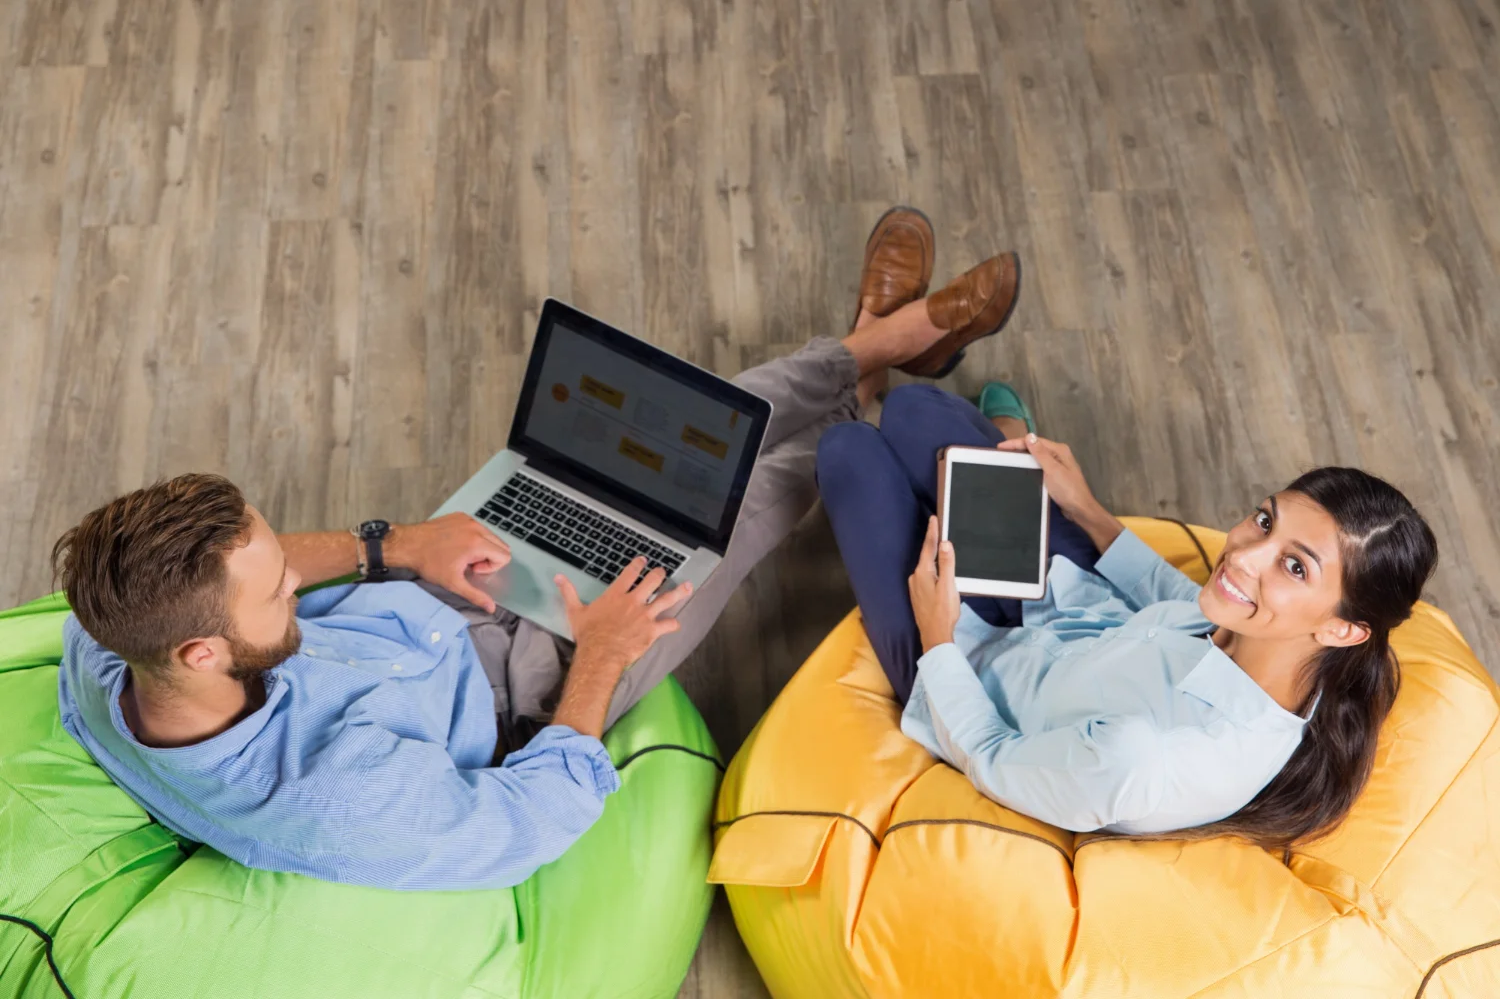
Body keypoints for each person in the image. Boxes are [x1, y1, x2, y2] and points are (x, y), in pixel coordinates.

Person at [53, 207, 1023, 891]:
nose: (297, 584)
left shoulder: (106, 643)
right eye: (274, 592)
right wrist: (600, 654)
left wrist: (388, 545)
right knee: (749, 498)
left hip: (439, 586)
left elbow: (290, 573)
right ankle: (881, 390)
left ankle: (873, 347)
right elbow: (531, 826)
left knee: (695, 437)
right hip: (534, 682)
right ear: (201, 654)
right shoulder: (338, 800)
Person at [816, 364, 1439, 848]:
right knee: (911, 409)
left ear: (1342, 628)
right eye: (1263, 519)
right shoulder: (1282, 644)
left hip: (976, 676)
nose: (1242, 555)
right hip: (1068, 608)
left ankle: (973, 450)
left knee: (849, 451)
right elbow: (1179, 598)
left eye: (1295, 565)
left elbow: (992, 756)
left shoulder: (1155, 760)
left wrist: (938, 636)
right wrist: (1085, 507)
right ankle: (999, 442)